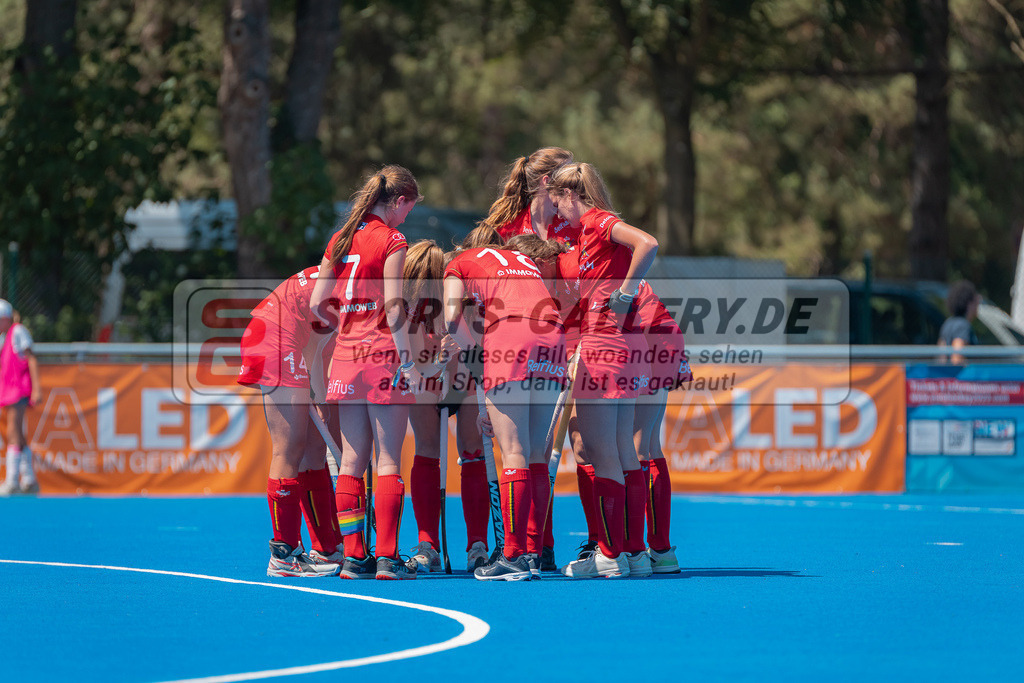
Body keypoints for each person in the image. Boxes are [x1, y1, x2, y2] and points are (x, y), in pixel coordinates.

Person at [308, 164, 427, 580]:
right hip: (382, 356)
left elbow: (315, 303)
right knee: (389, 459)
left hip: (345, 358)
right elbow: (394, 306)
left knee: (351, 461)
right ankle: (388, 558)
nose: (407, 216)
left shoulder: (340, 239)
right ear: (399, 201)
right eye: (408, 208)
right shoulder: (393, 239)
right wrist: (408, 362)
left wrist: (346, 319)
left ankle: (355, 557)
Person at [546, 162, 659, 579]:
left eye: (558, 200)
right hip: (622, 347)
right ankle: (633, 553)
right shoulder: (582, 235)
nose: (557, 210)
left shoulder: (597, 221)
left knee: (603, 452)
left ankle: (610, 554)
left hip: (605, 346)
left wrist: (626, 293)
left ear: (571, 194)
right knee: (624, 450)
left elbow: (648, 243)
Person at [443, 227, 569, 580]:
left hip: (511, 336)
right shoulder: (521, 260)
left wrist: (477, 355)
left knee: (512, 451)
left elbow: (451, 318)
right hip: (552, 335)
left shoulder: (459, 264)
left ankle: (512, 556)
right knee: (535, 455)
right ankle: (534, 551)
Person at [237, 268, 344, 577]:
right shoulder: (356, 286)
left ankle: (325, 548)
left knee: (314, 450)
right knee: (290, 447)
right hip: (277, 337)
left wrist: (319, 394)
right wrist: (317, 393)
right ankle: (283, 554)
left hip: (291, 338)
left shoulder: (358, 279)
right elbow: (317, 345)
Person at [401, 240, 486, 573]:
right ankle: (428, 544)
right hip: (427, 378)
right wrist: (426, 374)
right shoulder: (407, 305)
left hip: (464, 380)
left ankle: (477, 543)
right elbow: (408, 353)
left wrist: (459, 369)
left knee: (471, 448)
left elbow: (477, 348)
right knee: (427, 449)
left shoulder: (460, 296)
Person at [480, 147, 580, 247]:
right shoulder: (509, 229)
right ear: (547, 181)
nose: (575, 179)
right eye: (567, 175)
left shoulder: (576, 223)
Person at [0, 300, 41, 496]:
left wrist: (37, 389)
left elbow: (31, 358)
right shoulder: (5, 337)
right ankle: (29, 479)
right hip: (9, 391)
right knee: (18, 435)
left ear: (5, 318)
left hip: (18, 390)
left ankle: (12, 480)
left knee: (13, 432)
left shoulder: (17, 331)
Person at [939, 280, 980, 364]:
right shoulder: (963, 325)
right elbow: (957, 358)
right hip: (960, 376)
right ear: (969, 304)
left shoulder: (948, 323)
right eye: (975, 300)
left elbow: (941, 356)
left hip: (947, 375)